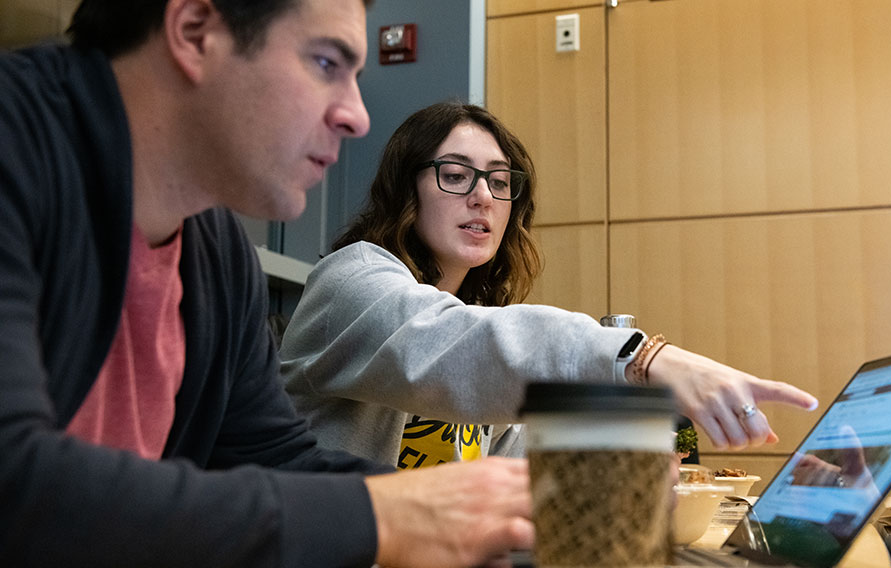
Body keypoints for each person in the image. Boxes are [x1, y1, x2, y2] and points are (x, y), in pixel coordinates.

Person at [0, 0, 533, 568]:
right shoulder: (16, 146)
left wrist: (494, 514)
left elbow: (276, 462)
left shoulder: (214, 249)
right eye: (325, 64)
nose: (357, 114)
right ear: (195, 33)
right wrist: (384, 515)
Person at [279, 102, 819, 469]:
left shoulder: (470, 318)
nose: (483, 196)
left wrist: (638, 459)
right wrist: (646, 359)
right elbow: (461, 347)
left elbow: (524, 462)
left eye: (498, 180)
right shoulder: (350, 284)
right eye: (456, 173)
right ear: (405, 190)